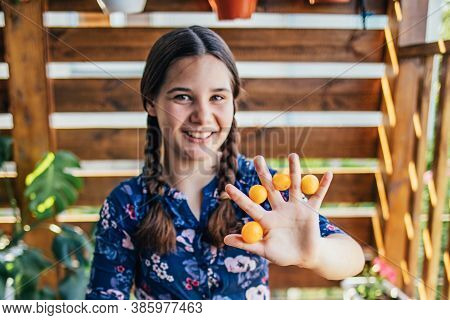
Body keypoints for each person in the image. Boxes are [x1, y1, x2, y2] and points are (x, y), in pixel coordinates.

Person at [86, 26, 365, 300]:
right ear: (150, 101)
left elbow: (352, 258)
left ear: (233, 103)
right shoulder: (126, 203)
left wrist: (313, 254)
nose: (203, 116)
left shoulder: (262, 188)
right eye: (183, 97)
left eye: (217, 97)